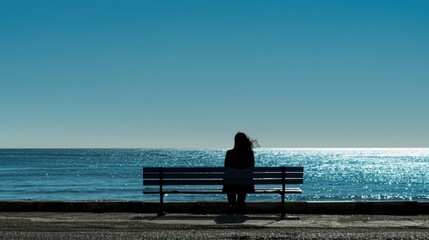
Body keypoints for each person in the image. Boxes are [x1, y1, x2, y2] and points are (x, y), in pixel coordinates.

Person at [223, 132, 258, 213]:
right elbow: (251, 169)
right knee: (243, 181)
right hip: (246, 185)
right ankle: (240, 204)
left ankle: (232, 205)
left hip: (230, 185)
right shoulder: (249, 153)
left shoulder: (229, 153)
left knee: (230, 182)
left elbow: (226, 169)